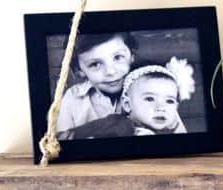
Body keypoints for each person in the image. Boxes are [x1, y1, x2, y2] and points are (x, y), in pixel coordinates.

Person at [65, 57, 195, 139]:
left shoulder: (172, 129)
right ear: (127, 104)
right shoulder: (117, 124)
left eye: (170, 101)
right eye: (150, 99)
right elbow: (71, 136)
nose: (161, 108)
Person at [57, 32, 137, 134]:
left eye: (118, 57)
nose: (111, 72)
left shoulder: (148, 86)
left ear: (132, 56)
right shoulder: (72, 98)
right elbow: (63, 138)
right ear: (79, 70)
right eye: (95, 64)